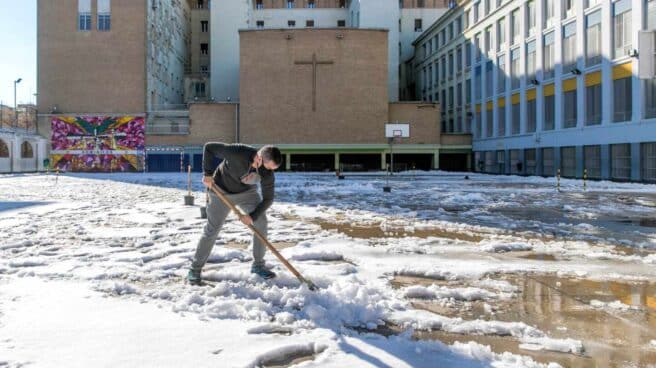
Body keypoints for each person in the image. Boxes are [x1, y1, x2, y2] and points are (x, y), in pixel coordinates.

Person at [187, 143, 282, 285]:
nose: (269, 172)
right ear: (259, 158)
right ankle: (195, 269)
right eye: (268, 167)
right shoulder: (238, 152)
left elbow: (268, 199)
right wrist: (207, 173)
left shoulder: (268, 174)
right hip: (220, 190)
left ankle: (258, 266)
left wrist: (252, 216)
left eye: (273, 169)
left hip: (247, 193)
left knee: (261, 222)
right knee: (212, 229)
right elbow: (209, 148)